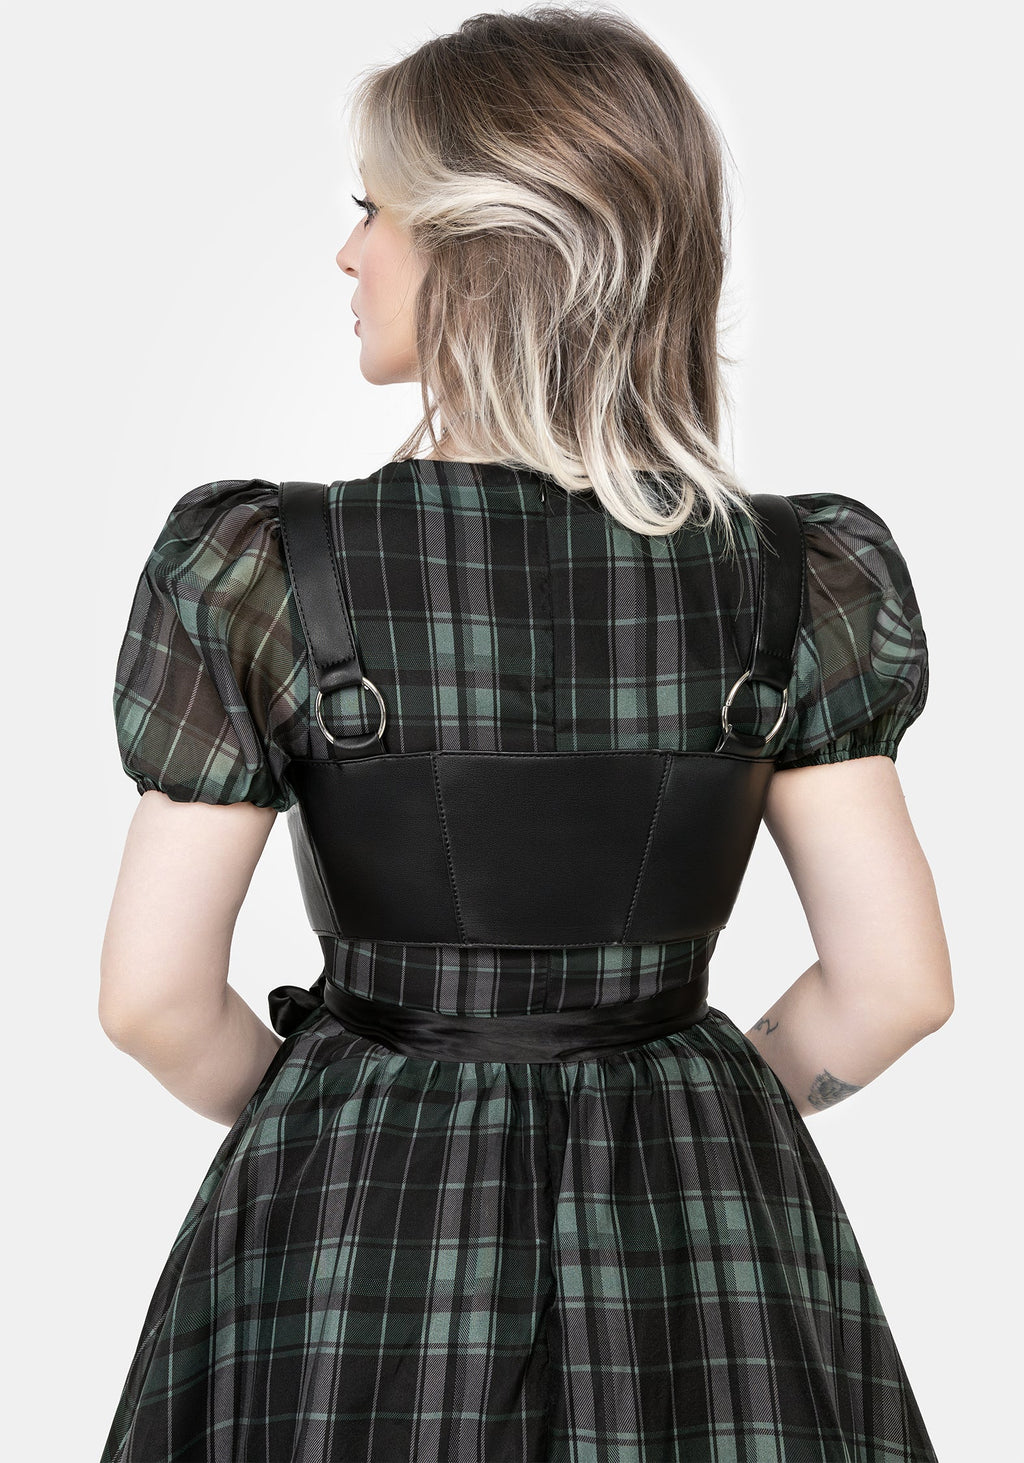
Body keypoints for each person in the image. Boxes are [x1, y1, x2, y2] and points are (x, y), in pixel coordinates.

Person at [98, 6, 952, 1460]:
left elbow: (153, 1004)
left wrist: (332, 1116)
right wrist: (702, 1115)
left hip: (354, 1235)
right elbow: (895, 988)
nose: (349, 254)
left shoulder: (260, 569)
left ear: (479, 247)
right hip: (701, 1227)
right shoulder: (796, 574)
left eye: (374, 209)